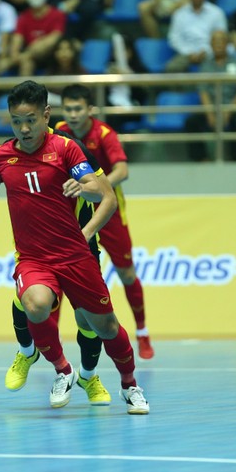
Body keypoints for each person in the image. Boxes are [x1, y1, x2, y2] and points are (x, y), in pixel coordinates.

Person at [0, 80, 150, 414]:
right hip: (34, 257)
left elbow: (105, 197)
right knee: (35, 304)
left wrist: (86, 229)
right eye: (17, 121)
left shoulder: (67, 149)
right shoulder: (1, 155)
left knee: (104, 326)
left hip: (75, 255)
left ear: (46, 114)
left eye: (31, 119)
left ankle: (129, 384)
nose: (24, 128)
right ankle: (63, 370)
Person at [55, 84, 154, 359]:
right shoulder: (60, 130)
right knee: (59, 274)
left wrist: (97, 188)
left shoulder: (104, 134)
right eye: (69, 109)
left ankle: (143, 333)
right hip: (74, 213)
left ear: (90, 110)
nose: (73, 115)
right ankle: (51, 340)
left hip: (109, 213)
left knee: (126, 273)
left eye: (78, 109)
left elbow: (122, 169)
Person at [183, 29, 236, 161]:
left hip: (232, 106)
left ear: (227, 43)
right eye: (215, 41)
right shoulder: (206, 65)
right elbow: (203, 91)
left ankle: (235, 160)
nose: (218, 44)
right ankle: (201, 159)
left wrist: (230, 110)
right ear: (210, 44)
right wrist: (210, 113)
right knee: (191, 122)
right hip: (212, 107)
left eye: (221, 41)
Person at [6, 0, 66, 76]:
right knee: (26, 63)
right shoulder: (23, 17)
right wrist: (14, 55)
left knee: (42, 48)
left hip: (52, 55)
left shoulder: (57, 14)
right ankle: (25, 90)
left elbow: (53, 39)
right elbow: (16, 40)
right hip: (32, 58)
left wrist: (12, 61)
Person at [165, 0, 227, 74]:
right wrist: (189, 52)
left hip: (210, 53)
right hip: (186, 54)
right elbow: (174, 38)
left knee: (219, 67)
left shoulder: (216, 12)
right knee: (171, 68)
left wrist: (207, 51)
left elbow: (222, 37)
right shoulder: (179, 14)